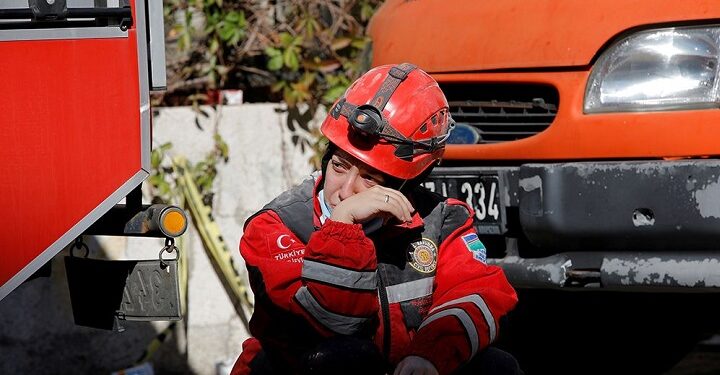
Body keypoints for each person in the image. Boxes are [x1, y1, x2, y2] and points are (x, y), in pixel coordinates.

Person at [231, 63, 521, 375]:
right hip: (306, 366)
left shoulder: (442, 220)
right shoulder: (277, 226)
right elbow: (332, 323)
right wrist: (342, 227)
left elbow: (477, 294)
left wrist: (429, 355)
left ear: (405, 185)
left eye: (370, 178)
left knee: (497, 366)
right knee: (345, 357)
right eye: (339, 167)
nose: (345, 191)